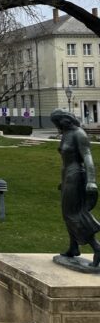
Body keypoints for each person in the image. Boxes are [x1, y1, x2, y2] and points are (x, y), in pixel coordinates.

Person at [50, 108, 100, 266]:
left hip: (76, 175)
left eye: (56, 123)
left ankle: (97, 248)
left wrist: (91, 180)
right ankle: (73, 247)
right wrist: (63, 181)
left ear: (63, 121)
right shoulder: (66, 133)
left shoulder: (79, 134)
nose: (56, 126)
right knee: (67, 213)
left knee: (74, 214)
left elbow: (87, 157)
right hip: (67, 175)